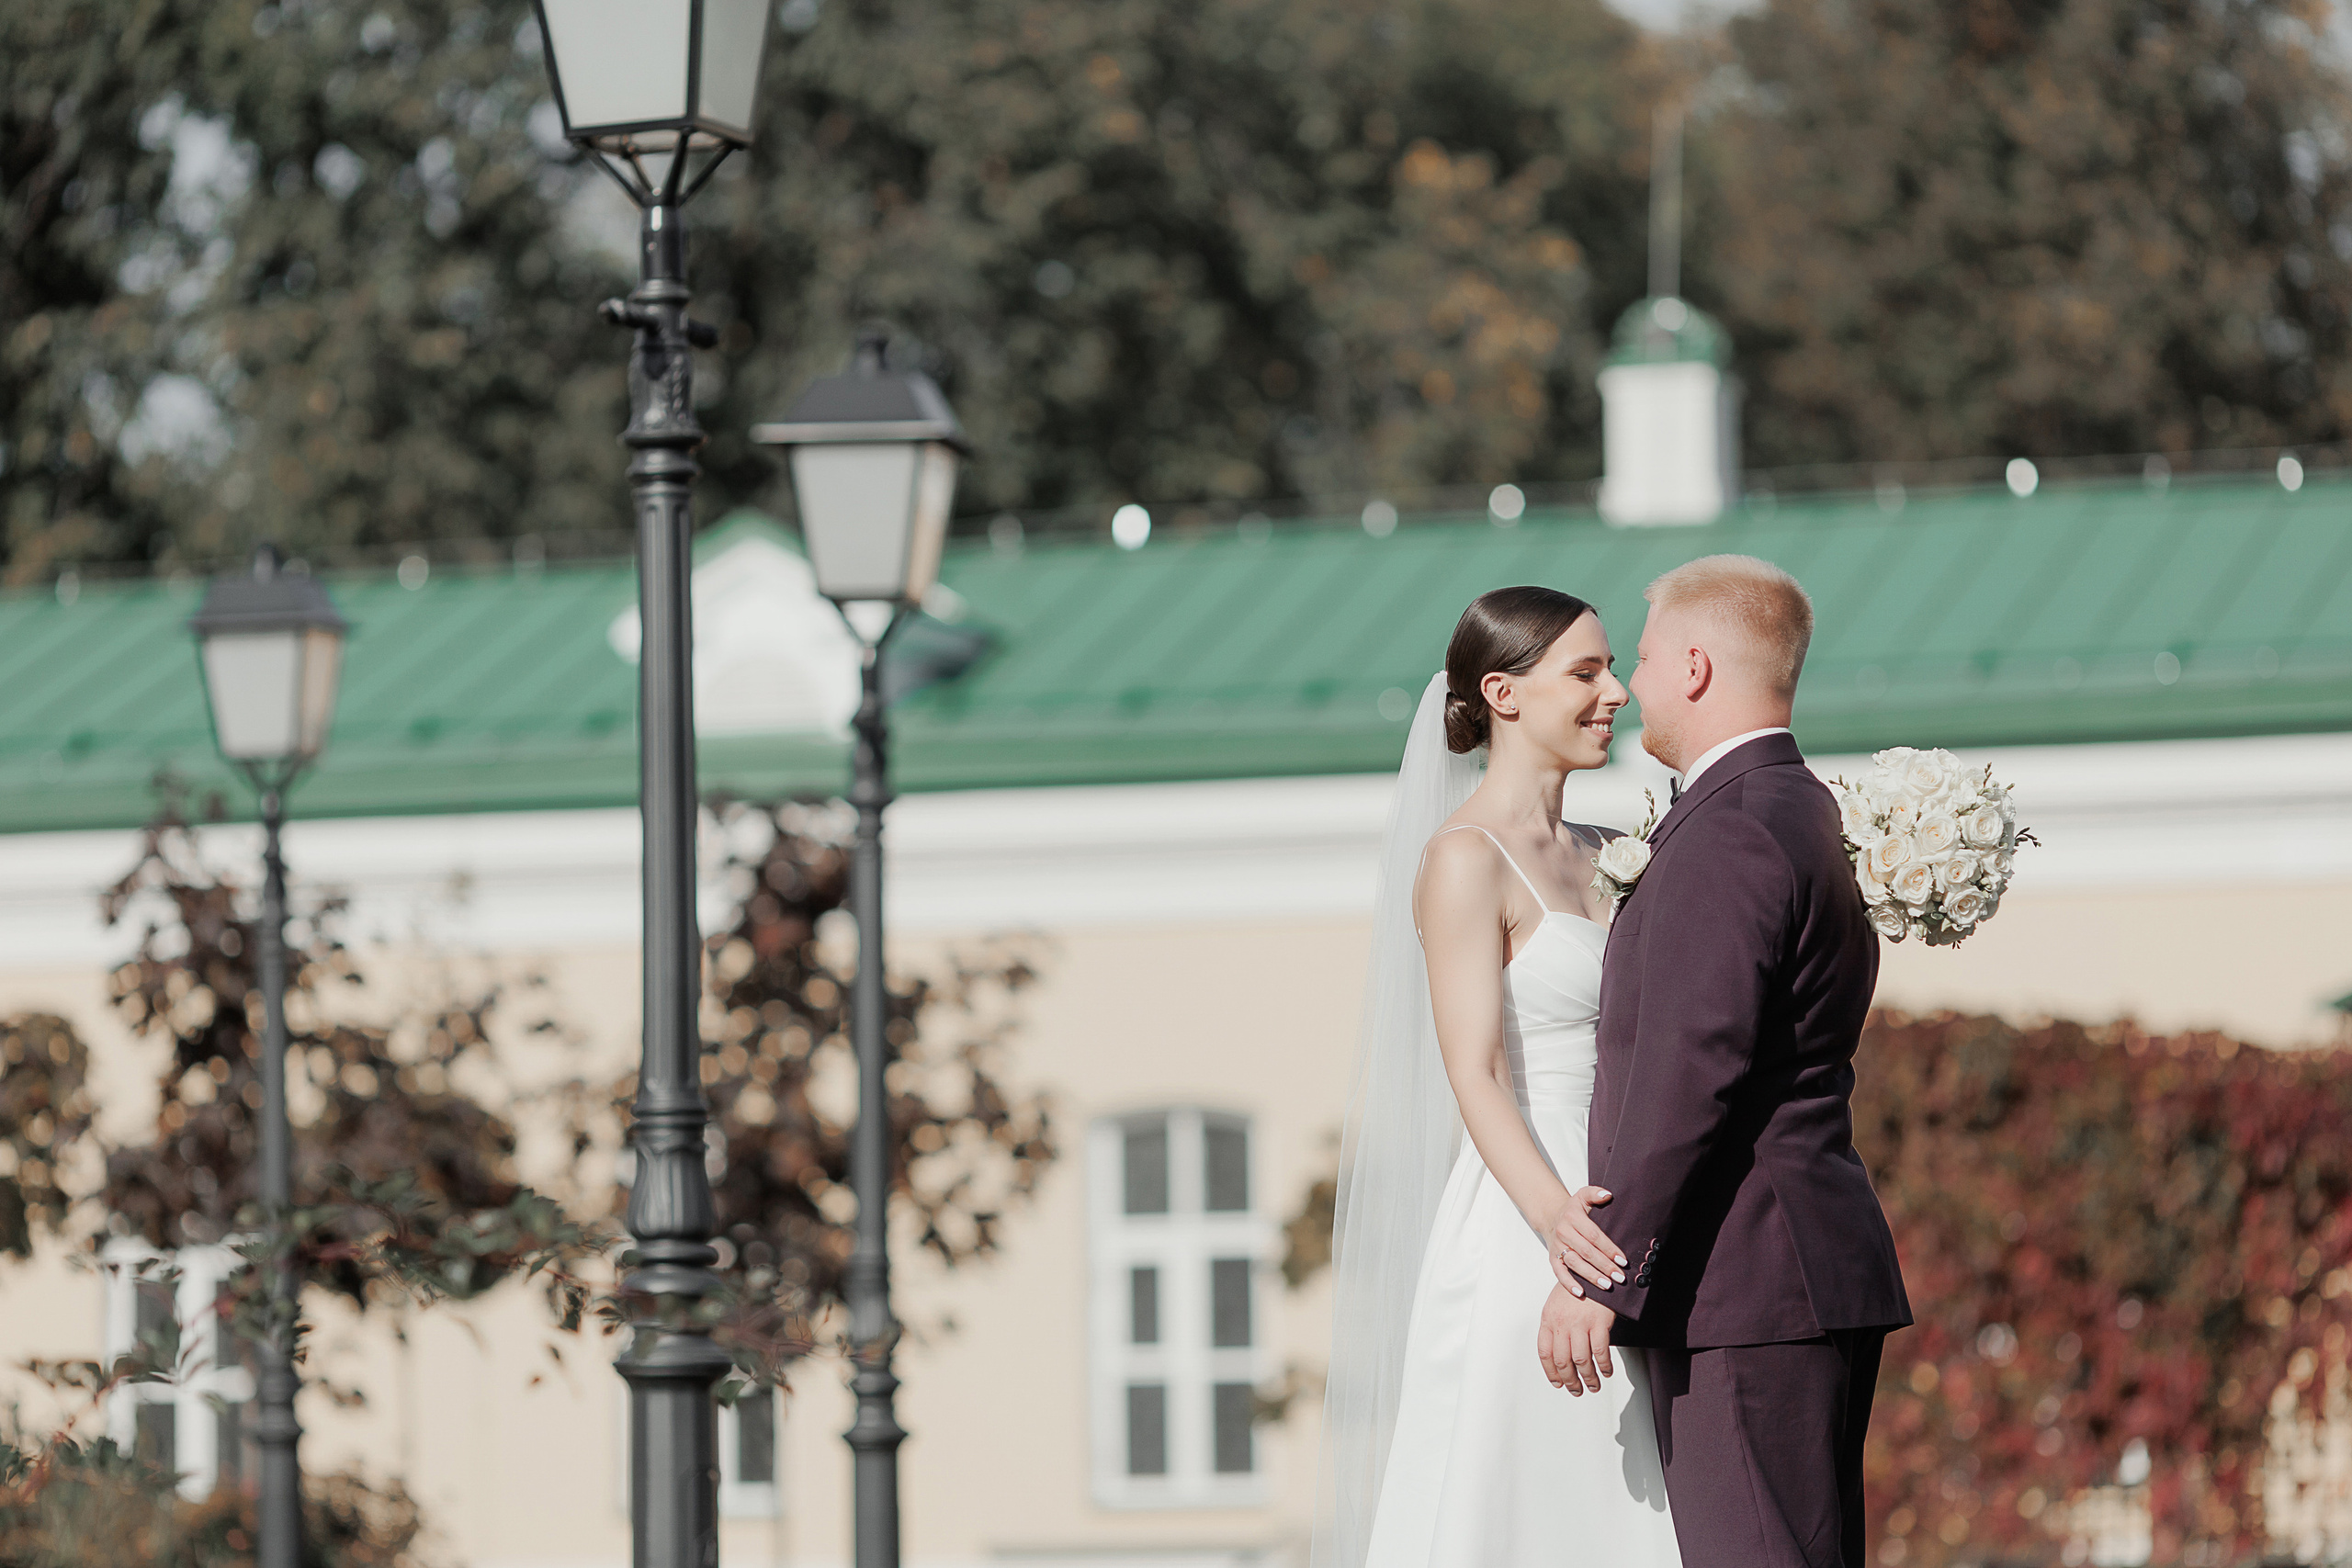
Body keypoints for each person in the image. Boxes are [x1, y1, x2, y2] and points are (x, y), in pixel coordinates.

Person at [1541, 554, 1913, 1568]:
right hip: (1799, 1268)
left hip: (1745, 1281)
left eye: (1643, 657)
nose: (1629, 686)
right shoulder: (1802, 807)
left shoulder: (1730, 830)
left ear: (1696, 667)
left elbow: (1690, 1072)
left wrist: (1602, 1275)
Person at [1313, 585, 1683, 1568]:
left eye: (1612, 669)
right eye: (1586, 672)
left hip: (1631, 1198)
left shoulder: (1613, 850)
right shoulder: (1464, 861)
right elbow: (1472, 1070)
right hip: (1535, 1208)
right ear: (1502, 694)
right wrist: (1559, 1226)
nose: (1615, 693)